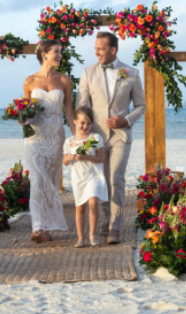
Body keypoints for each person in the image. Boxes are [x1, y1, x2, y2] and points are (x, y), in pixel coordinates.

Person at [76, 31, 146, 245]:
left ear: (112, 50)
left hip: (120, 136)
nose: (96, 51)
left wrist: (125, 120)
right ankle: (106, 222)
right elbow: (81, 106)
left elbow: (141, 106)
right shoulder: (87, 72)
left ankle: (114, 227)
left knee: (116, 178)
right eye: (95, 48)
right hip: (95, 137)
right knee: (101, 180)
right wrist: (81, 134)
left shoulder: (131, 73)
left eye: (100, 48)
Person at [22, 40, 74, 243]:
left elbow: (69, 112)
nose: (60, 55)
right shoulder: (29, 81)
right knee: (37, 181)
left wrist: (77, 137)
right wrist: (21, 118)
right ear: (44, 54)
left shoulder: (64, 80)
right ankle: (37, 228)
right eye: (56, 52)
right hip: (34, 137)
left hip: (56, 138)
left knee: (50, 183)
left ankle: (46, 226)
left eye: (60, 52)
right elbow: (25, 113)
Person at [62, 107, 108, 248]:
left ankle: (93, 235)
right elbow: (64, 162)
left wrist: (86, 157)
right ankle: (80, 238)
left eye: (88, 123)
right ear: (75, 121)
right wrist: (69, 158)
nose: (85, 126)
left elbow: (102, 158)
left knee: (93, 202)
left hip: (93, 176)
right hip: (78, 179)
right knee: (80, 207)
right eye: (82, 122)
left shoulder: (95, 138)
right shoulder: (69, 141)